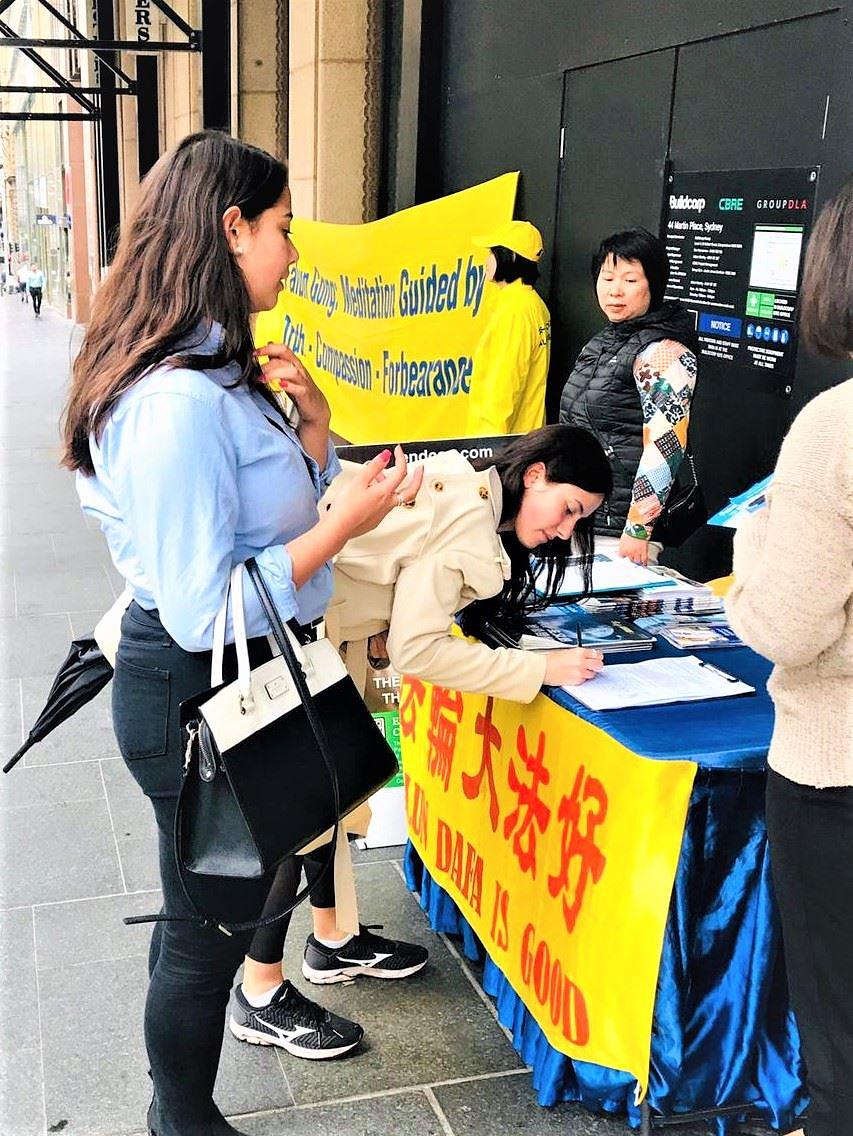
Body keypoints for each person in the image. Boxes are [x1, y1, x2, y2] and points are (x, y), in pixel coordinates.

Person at [61, 130, 421, 1136]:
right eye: (283, 230)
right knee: (201, 933)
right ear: (231, 229)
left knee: (216, 907)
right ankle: (180, 1117)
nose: (294, 252)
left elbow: (269, 524)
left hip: (243, 673)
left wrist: (313, 431)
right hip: (195, 686)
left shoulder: (221, 370)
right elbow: (205, 605)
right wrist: (343, 522)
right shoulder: (176, 399)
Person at [235, 424, 614, 999]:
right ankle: (260, 991)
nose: (565, 531)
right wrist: (540, 670)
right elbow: (420, 651)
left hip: (320, 632)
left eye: (578, 522)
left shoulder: (467, 486)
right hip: (301, 638)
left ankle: (334, 937)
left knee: (335, 801)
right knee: (303, 813)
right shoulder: (469, 519)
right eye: (568, 509)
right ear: (535, 475)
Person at [726, 179, 853, 1136]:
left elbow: (783, 623)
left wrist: (751, 540)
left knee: (841, 1045)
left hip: (837, 770)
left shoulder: (833, 429)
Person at [559, 227, 698, 565]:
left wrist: (639, 528)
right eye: (607, 279)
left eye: (630, 280)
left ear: (654, 284)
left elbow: (667, 444)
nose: (615, 291)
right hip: (583, 518)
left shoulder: (663, 352)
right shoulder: (605, 341)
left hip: (619, 533)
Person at [465, 220, 551, 437]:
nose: (486, 261)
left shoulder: (516, 309)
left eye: (493, 252)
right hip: (524, 436)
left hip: (504, 443)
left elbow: (504, 384)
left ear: (509, 257)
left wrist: (487, 447)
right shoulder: (533, 303)